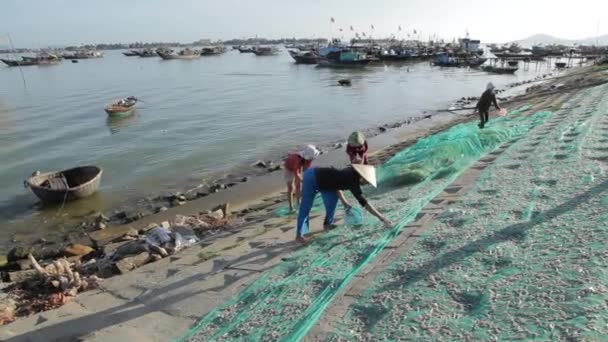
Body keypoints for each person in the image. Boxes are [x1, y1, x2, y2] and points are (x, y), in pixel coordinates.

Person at [295, 164, 393, 243]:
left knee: (332, 201)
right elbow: (365, 203)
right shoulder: (352, 180)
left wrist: (345, 202)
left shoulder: (351, 173)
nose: (366, 183)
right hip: (312, 177)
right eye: (366, 181)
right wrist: (382, 218)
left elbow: (337, 185)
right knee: (306, 206)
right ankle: (299, 235)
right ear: (361, 176)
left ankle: (328, 225)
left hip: (327, 184)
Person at [283, 145, 320, 212]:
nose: (312, 159)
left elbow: (306, 171)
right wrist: (303, 181)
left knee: (298, 185)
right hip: (288, 168)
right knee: (291, 187)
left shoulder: (309, 159)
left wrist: (309, 182)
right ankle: (291, 207)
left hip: (298, 166)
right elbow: (296, 174)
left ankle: (298, 203)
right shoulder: (297, 160)